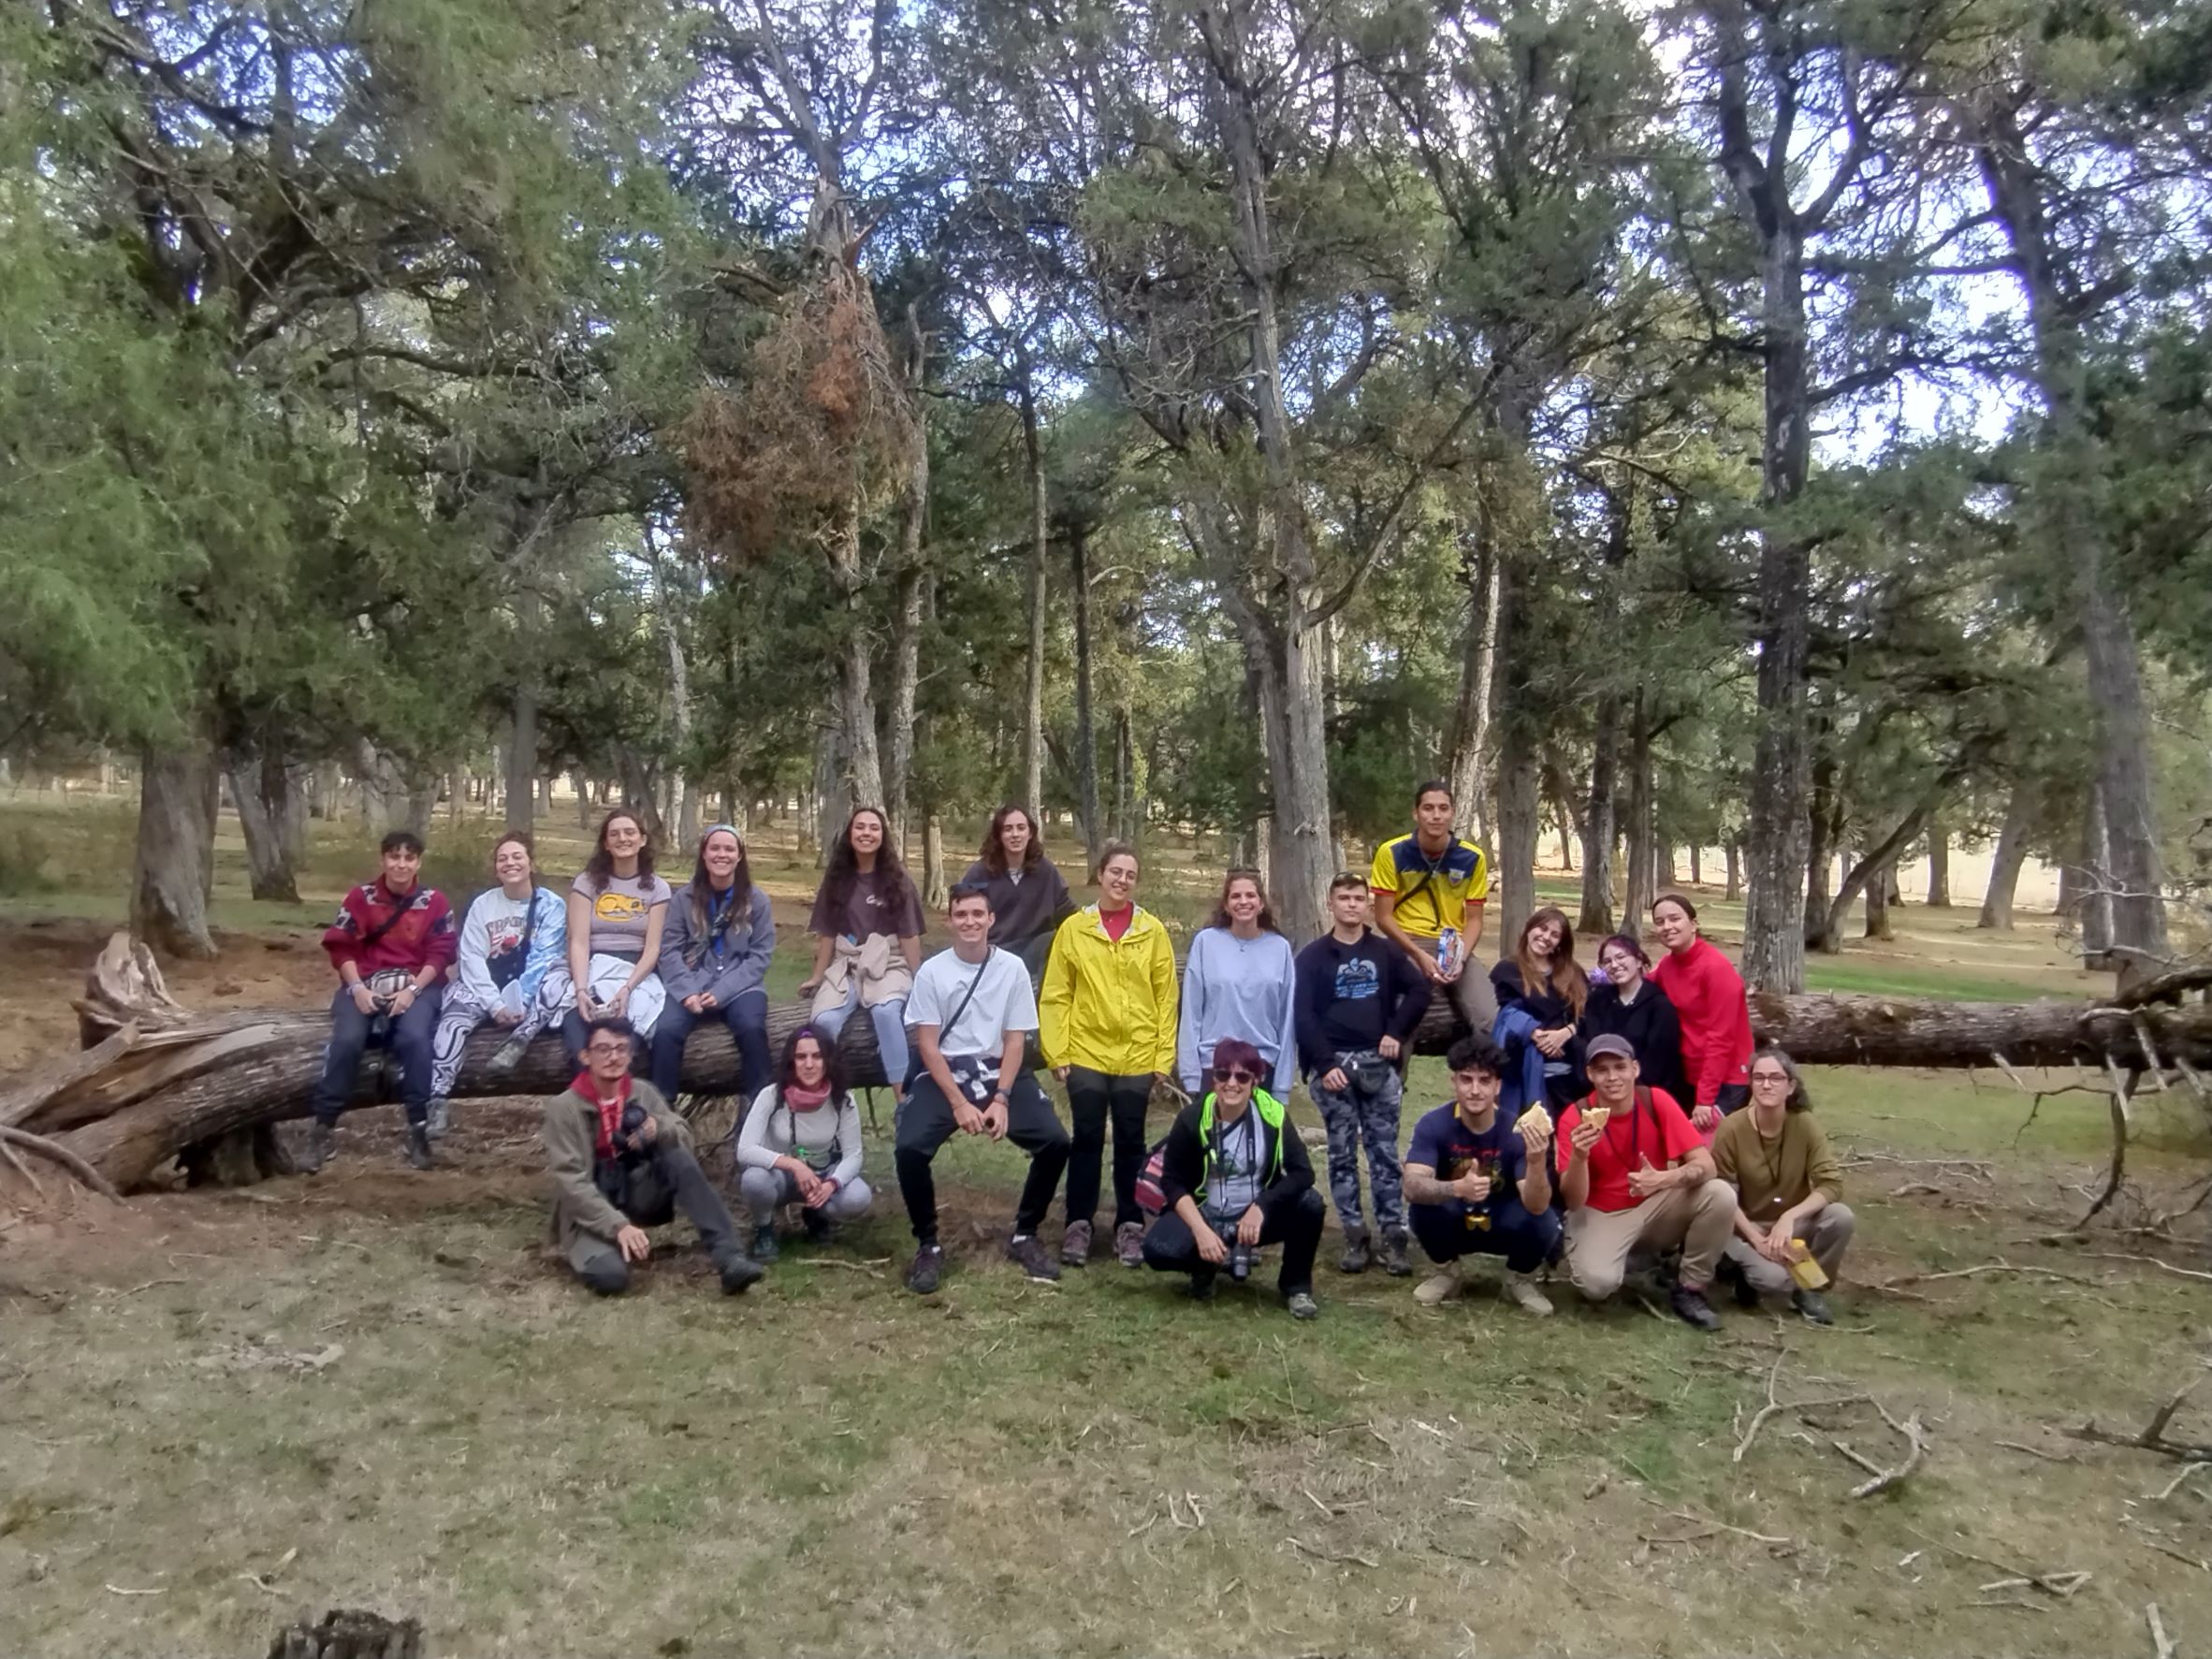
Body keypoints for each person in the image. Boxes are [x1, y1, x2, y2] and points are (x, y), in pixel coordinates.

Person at [896, 881, 1071, 1292]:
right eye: (961, 914)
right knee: (909, 1148)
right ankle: (928, 1244)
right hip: (946, 1072)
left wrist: (1002, 1098)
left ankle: (1025, 1234)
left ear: (991, 919)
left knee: (1055, 1142)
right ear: (950, 920)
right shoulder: (933, 972)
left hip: (1000, 1071)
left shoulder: (1012, 969)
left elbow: (1015, 1040)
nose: (970, 922)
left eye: (978, 914)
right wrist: (958, 1103)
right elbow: (927, 1045)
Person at [540, 1016, 764, 1297]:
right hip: (590, 1204)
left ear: (630, 1055)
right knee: (610, 1278)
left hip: (637, 1188)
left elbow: (685, 1140)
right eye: (603, 1049)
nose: (613, 1057)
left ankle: (729, 1256)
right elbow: (571, 1181)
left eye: (621, 1048)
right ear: (585, 1056)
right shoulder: (564, 1108)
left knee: (677, 1156)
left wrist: (660, 1129)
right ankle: (606, 1244)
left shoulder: (643, 1092)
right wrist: (618, 1226)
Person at [1039, 841, 1178, 1269]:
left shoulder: (1152, 931)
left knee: (1131, 1142)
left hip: (1138, 1054)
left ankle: (1130, 1225)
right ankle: (1079, 1223)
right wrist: (1057, 1051)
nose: (1122, 880)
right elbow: (1056, 994)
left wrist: (1163, 1057)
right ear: (1100, 875)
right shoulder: (1074, 930)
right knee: (1086, 1139)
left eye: (1130, 875)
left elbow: (1166, 997)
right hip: (1085, 1052)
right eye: (1115, 872)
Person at [1293, 873, 1433, 1276]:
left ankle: (1394, 1236)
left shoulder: (1385, 952)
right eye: (1344, 898)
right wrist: (1325, 1064)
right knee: (1341, 1154)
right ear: (1330, 903)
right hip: (1333, 1068)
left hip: (1378, 1064)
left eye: (1358, 898)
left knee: (1384, 1153)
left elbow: (1421, 990)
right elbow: (1303, 1015)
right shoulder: (1313, 957)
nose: (1351, 904)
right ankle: (1354, 1234)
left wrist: (1396, 1033)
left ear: (1368, 905)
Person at [1553, 1034, 1736, 1331]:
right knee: (1597, 1286)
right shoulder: (1575, 1117)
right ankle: (1627, 1259)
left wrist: (1665, 1178)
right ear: (1590, 1075)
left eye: (1620, 1067)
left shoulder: (1655, 1101)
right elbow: (1574, 1200)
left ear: (1635, 1069)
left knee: (1720, 1194)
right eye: (1602, 1070)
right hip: (1603, 1212)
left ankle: (1691, 1287)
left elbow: (1707, 1166)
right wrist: (1579, 1156)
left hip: (1656, 1204)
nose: (1612, 1077)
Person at [301, 830, 458, 1173]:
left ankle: (418, 1129)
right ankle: (323, 1128)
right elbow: (341, 947)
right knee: (347, 1041)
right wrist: (358, 989)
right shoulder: (360, 898)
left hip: (418, 986)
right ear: (383, 859)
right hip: (364, 983)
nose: (401, 864)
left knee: (415, 1040)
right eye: (394, 856)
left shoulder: (435, 902)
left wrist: (411, 991)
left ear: (419, 862)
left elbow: (442, 953)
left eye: (409, 858)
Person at [1142, 1038, 1324, 1318]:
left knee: (1311, 1204)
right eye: (1223, 1074)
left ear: (1256, 1082)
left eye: (1242, 1077)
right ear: (1213, 1079)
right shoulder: (1192, 1118)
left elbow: (1303, 1173)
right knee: (1158, 1249)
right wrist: (1201, 1230)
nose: (1231, 1084)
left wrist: (1262, 1206)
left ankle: (1296, 1288)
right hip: (1206, 1212)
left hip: (1254, 1219)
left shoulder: (1273, 1115)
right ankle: (1205, 1267)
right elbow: (1172, 1181)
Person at [1403, 1036, 1561, 1315]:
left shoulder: (1517, 1130)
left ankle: (1518, 1278)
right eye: (1466, 1080)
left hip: (1503, 1220)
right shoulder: (1433, 1124)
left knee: (1545, 1220)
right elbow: (1411, 1186)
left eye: (1484, 1081)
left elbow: (1537, 1205)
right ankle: (1447, 1272)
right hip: (1455, 1215)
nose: (1475, 1090)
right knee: (1422, 1208)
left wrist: (1537, 1162)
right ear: (1454, 1082)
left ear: (1497, 1086)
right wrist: (1456, 1188)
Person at [425, 832, 566, 1140]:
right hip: (485, 985)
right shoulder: (483, 905)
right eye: (502, 859)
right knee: (452, 1022)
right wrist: (495, 1004)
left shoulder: (552, 905)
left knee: (561, 978)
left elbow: (544, 957)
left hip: (530, 991)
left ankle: (520, 1039)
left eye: (517, 856)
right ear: (496, 868)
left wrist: (521, 1001)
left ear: (531, 863)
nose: (510, 863)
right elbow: (471, 958)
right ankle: (437, 1098)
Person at [1710, 1048, 1850, 1325]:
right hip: (1744, 1227)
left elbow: (1831, 1183)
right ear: (1751, 1084)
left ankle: (1810, 1289)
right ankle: (1743, 1272)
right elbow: (1722, 1192)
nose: (1767, 1085)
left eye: (1775, 1078)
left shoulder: (1805, 1124)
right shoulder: (1732, 1128)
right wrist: (1755, 1239)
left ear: (1791, 1086)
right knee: (1773, 1281)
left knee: (1841, 1217)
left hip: (1788, 1228)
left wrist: (1789, 1217)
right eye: (1759, 1078)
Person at [800, 807, 924, 1103]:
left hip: (889, 962)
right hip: (847, 963)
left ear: (882, 836)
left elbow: (909, 934)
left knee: (885, 1012)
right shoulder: (837, 878)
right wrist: (817, 976)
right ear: (850, 833)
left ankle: (904, 1099)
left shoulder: (897, 879)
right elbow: (828, 933)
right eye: (860, 827)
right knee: (825, 1022)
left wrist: (919, 977)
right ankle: (822, 1098)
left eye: (873, 828)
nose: (866, 833)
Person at [652, 825, 776, 1104]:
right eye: (715, 848)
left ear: (739, 856)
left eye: (729, 849)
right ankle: (662, 1112)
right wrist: (687, 993)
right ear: (704, 854)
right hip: (691, 982)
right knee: (665, 1032)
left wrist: (722, 992)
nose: (722, 854)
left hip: (741, 985)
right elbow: (669, 951)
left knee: (752, 1028)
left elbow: (760, 956)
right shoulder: (683, 899)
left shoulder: (757, 900)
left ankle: (760, 1107)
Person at [1370, 780, 1497, 1040]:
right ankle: (1394, 1066)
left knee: (1489, 1018)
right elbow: (1383, 917)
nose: (1436, 815)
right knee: (1399, 1015)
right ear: (1415, 814)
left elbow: (1474, 920)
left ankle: (1482, 1066)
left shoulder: (1473, 857)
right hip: (1407, 942)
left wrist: (1461, 958)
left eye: (1443, 808)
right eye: (1428, 808)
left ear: (1452, 813)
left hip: (1452, 944)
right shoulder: (1391, 852)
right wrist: (1417, 955)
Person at [734, 1026, 873, 1261]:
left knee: (858, 1197)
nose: (809, 1064)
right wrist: (794, 1165)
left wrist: (832, 1184)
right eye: (801, 1057)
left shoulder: (842, 1099)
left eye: (817, 1056)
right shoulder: (771, 1095)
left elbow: (854, 1154)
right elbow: (745, 1150)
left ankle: (818, 1215)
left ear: (828, 1061)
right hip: (780, 1178)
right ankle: (764, 1230)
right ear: (792, 1061)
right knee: (754, 1179)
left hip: (822, 1174)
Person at [548, 809, 672, 1071]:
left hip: (636, 971)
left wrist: (627, 989)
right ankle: (588, 1092)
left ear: (642, 840)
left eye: (630, 832)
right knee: (579, 1036)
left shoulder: (658, 888)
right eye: (614, 834)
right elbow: (578, 941)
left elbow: (653, 948)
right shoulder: (586, 883)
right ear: (605, 843)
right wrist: (581, 990)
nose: (622, 839)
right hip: (591, 966)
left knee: (626, 1041)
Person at [1176, 869, 1297, 1099]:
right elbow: (1192, 1012)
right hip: (1214, 1066)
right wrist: (1191, 1074)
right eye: (1235, 896)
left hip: (1263, 1066)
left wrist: (1282, 1084)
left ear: (1261, 904)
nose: (1243, 901)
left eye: (1250, 895)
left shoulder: (1279, 948)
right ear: (1226, 905)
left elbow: (1287, 1019)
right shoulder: (1206, 943)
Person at [1647, 893, 1754, 1136]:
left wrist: (1705, 1099)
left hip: (1726, 1080)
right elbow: (1641, 987)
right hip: (1691, 1075)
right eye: (1660, 922)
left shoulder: (1716, 970)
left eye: (1675, 919)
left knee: (1707, 1151)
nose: (1667, 927)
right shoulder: (1668, 966)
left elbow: (1721, 1038)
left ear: (1694, 924)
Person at [1489, 906, 1590, 1111]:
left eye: (1554, 935)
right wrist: (1535, 1034)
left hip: (1568, 1072)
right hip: (1521, 1067)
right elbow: (1505, 1015)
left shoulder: (1573, 972)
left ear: (1560, 943)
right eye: (1542, 928)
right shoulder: (1507, 970)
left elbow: (1588, 1013)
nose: (1546, 937)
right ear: (1529, 929)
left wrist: (1565, 1033)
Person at [960, 805, 1074, 978]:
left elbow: (1067, 912)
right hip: (994, 954)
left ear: (1030, 833)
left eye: (1021, 828)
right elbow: (963, 915)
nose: (1015, 834)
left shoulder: (1046, 871)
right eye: (1008, 829)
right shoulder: (980, 873)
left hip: (1034, 954)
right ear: (999, 835)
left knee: (1053, 939)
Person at [1579, 933, 1689, 1104]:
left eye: (1621, 957)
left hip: (1646, 1096)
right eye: (1607, 961)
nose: (1614, 965)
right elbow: (1589, 1043)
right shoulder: (1597, 1000)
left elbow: (1661, 1062)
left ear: (1638, 961)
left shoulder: (1659, 1006)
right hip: (1601, 1089)